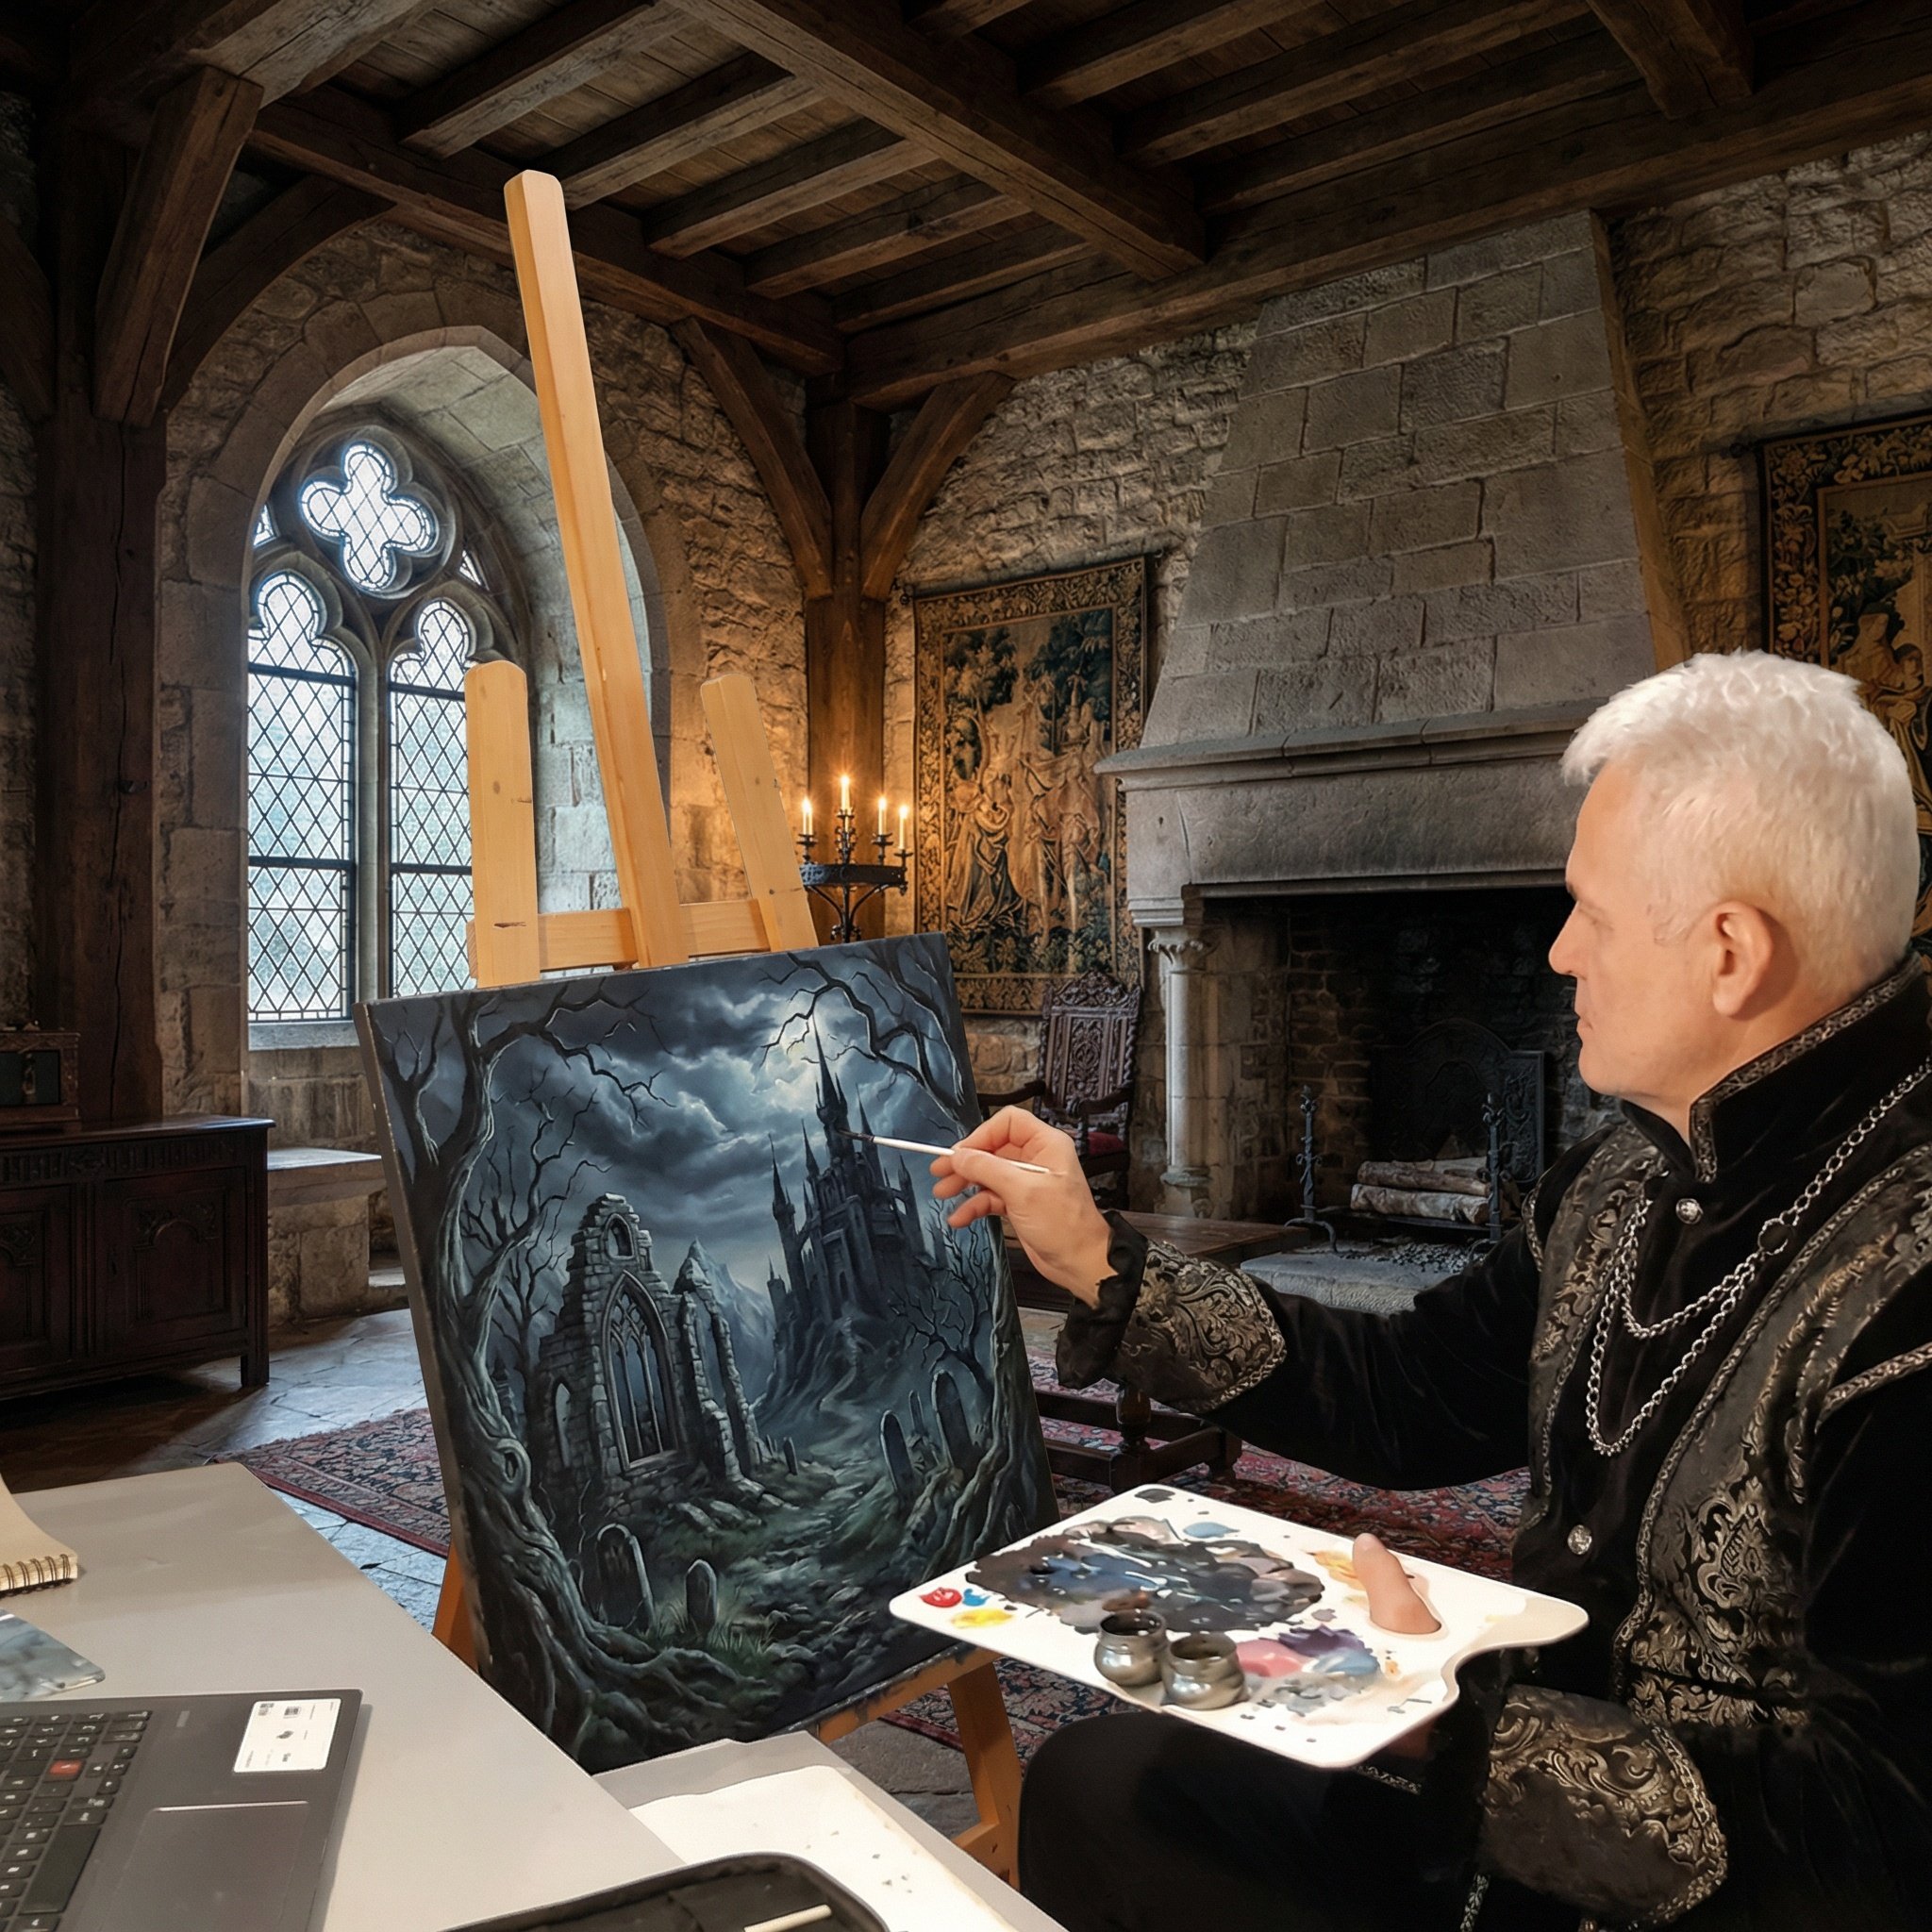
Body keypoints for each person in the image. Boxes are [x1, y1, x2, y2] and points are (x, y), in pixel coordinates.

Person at [932, 651, 1932, 1930]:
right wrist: (1095, 1258)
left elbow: (1885, 1829)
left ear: (1730, 954)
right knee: (1103, 1790)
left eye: (1591, 913)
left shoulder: (1908, 1290)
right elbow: (1412, 1392)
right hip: (1495, 1821)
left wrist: (1440, 1724)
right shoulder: (1624, 1175)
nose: (1559, 952)